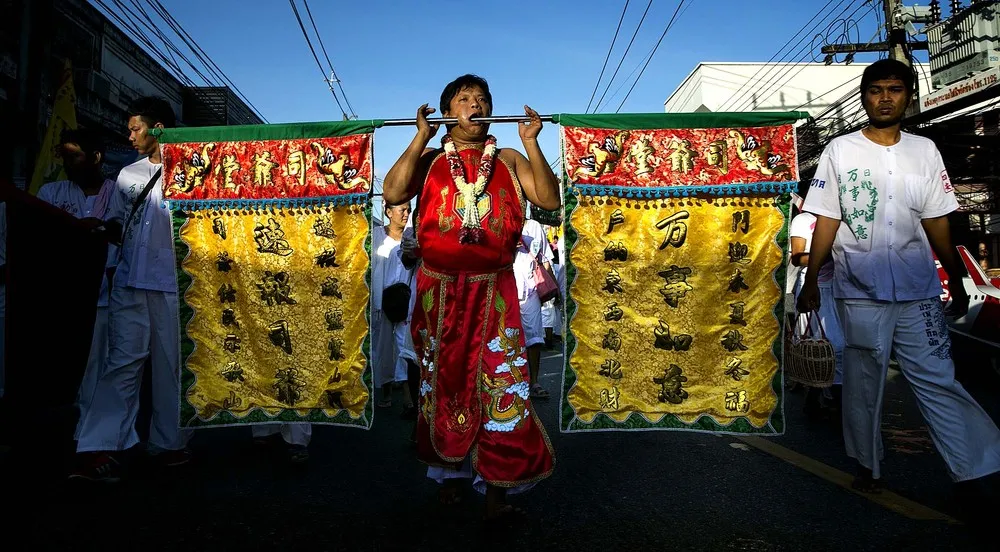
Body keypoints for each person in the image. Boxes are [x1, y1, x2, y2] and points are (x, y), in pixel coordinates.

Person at [797, 60, 1000, 506]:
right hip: (860, 289)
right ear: (865, 95)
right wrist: (812, 279)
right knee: (864, 380)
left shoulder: (925, 151)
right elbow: (827, 218)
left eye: (894, 89)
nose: (885, 97)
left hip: (918, 288)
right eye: (875, 90)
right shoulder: (840, 150)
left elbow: (937, 219)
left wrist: (960, 278)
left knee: (938, 379)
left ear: (908, 94)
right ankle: (867, 463)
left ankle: (972, 475)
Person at [383, 74, 557, 521]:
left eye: (482, 100)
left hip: (494, 292)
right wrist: (420, 136)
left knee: (501, 384)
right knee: (444, 384)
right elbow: (394, 192)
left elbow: (549, 200)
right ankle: (449, 474)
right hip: (438, 293)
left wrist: (532, 142)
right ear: (448, 112)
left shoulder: (512, 158)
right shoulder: (429, 158)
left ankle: (498, 490)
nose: (475, 106)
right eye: (465, 99)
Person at [71, 97, 192, 482]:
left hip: (175, 286)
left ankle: (170, 444)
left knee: (173, 367)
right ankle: (100, 447)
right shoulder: (128, 174)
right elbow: (120, 221)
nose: (130, 134)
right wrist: (103, 230)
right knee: (121, 365)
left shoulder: (194, 170)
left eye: (135, 127)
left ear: (159, 128)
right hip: (128, 282)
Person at [35, 128, 119, 439]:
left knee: (98, 365)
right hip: (63, 293)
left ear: (96, 157)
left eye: (75, 155)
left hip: (105, 295)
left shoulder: (119, 195)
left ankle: (90, 434)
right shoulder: (51, 194)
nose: (68, 162)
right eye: (64, 156)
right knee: (62, 364)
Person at [789, 204, 844, 417]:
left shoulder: (844, 217)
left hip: (843, 288)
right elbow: (797, 257)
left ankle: (815, 399)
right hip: (816, 288)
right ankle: (839, 406)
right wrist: (826, 255)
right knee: (830, 346)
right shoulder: (803, 220)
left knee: (826, 345)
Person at [371, 201, 419, 418]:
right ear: (388, 212)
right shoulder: (375, 236)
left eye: (408, 209)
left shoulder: (412, 238)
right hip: (381, 304)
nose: (406, 214)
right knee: (381, 348)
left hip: (405, 304)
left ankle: (408, 397)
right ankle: (386, 389)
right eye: (402, 210)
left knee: (404, 348)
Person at [515, 216, 555, 399]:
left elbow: (545, 258)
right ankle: (512, 382)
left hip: (531, 289)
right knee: (508, 337)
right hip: (505, 287)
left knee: (534, 337)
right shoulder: (500, 220)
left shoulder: (534, 226)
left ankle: (534, 382)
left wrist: (548, 287)